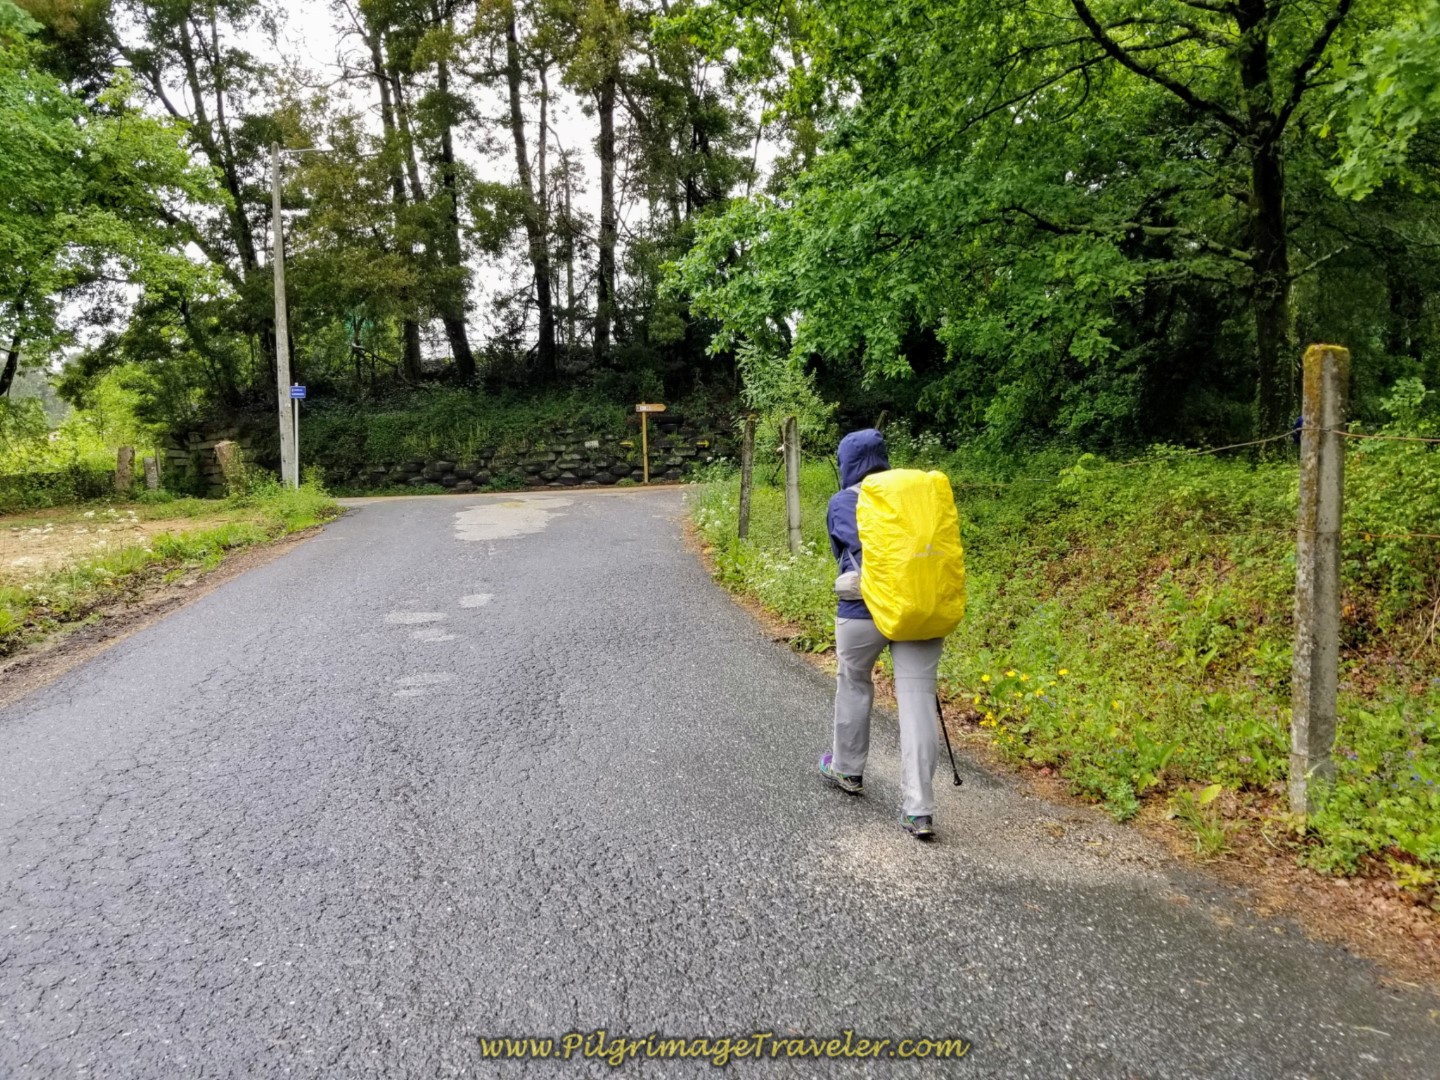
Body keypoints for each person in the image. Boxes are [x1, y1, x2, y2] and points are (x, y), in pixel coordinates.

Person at [818, 428, 947, 840]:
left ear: (847, 464)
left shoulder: (843, 500)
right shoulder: (917, 497)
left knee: (854, 681)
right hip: (918, 608)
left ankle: (847, 769)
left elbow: (842, 550)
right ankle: (919, 810)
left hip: (862, 611)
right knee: (917, 698)